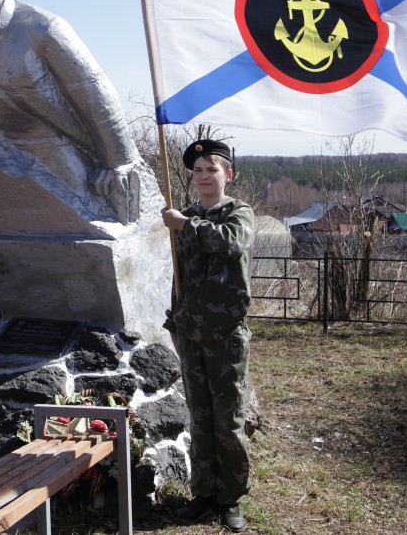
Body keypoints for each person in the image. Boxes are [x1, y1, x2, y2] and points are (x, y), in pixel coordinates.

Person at [0, 0, 143, 224]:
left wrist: (118, 161)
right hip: (2, 147)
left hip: (54, 146)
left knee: (81, 222)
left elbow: (94, 89)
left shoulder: (43, 28)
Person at [161, 139, 254, 533]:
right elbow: (179, 276)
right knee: (199, 419)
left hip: (226, 334)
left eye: (211, 170)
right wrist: (174, 322)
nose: (203, 177)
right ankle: (203, 494)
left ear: (227, 175)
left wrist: (185, 224)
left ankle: (230, 498)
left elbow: (231, 243)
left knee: (227, 420)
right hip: (191, 332)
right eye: (197, 170)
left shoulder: (239, 213)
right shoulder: (183, 217)